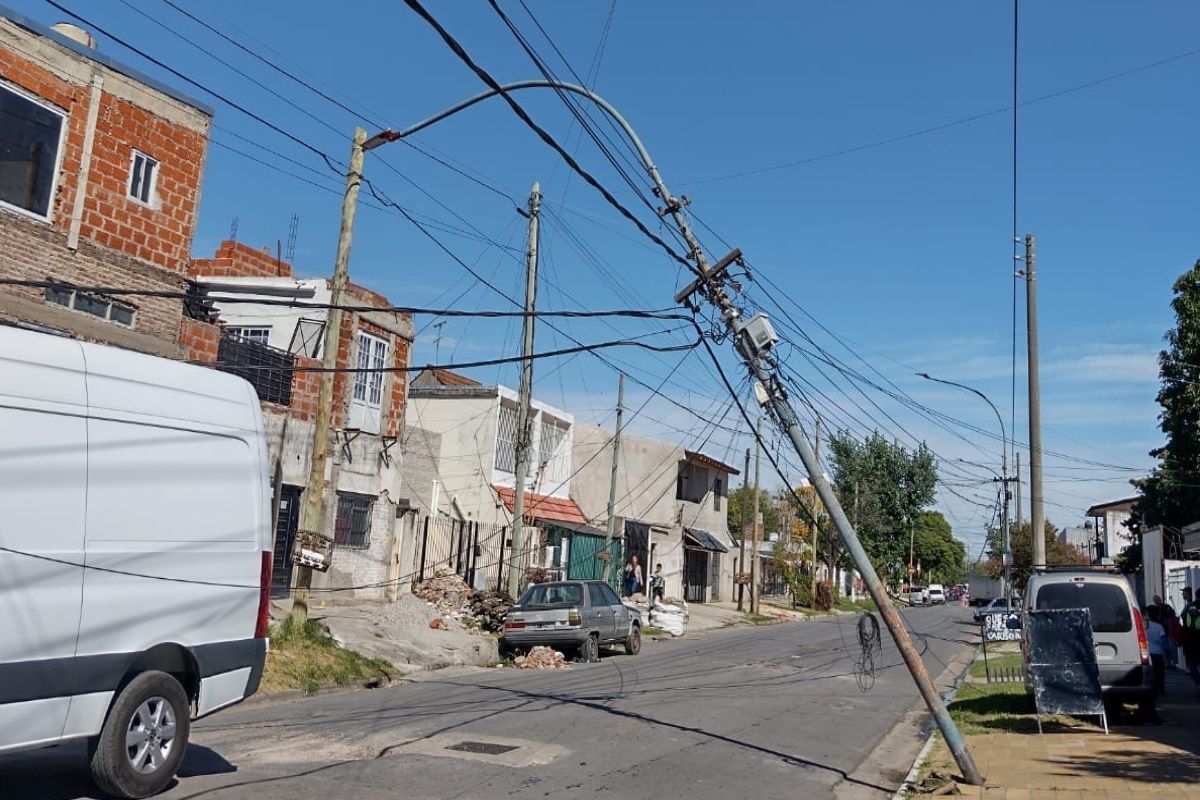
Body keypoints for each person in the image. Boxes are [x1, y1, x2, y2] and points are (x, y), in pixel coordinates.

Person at [1152, 594, 1180, 670]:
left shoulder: (1167, 607)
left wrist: (1171, 631)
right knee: (1164, 648)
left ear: (1160, 599)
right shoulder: (1156, 610)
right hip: (1162, 632)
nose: (1156, 601)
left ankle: (1174, 664)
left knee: (1172, 648)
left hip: (1169, 631)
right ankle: (1168, 663)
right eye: (1155, 600)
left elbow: (1171, 618)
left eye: (1157, 599)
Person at [1146, 606, 1167, 697]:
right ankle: (1160, 688)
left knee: (1150, 672)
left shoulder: (1144, 626)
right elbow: (1163, 641)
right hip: (1158, 653)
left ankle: (1150, 687)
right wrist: (1165, 654)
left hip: (1147, 652)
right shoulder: (1159, 627)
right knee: (1159, 672)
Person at [1182, 587, 1200, 691]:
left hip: (1191, 639)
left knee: (1192, 664)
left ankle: (1198, 683)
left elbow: (1183, 616)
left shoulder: (1190, 606)